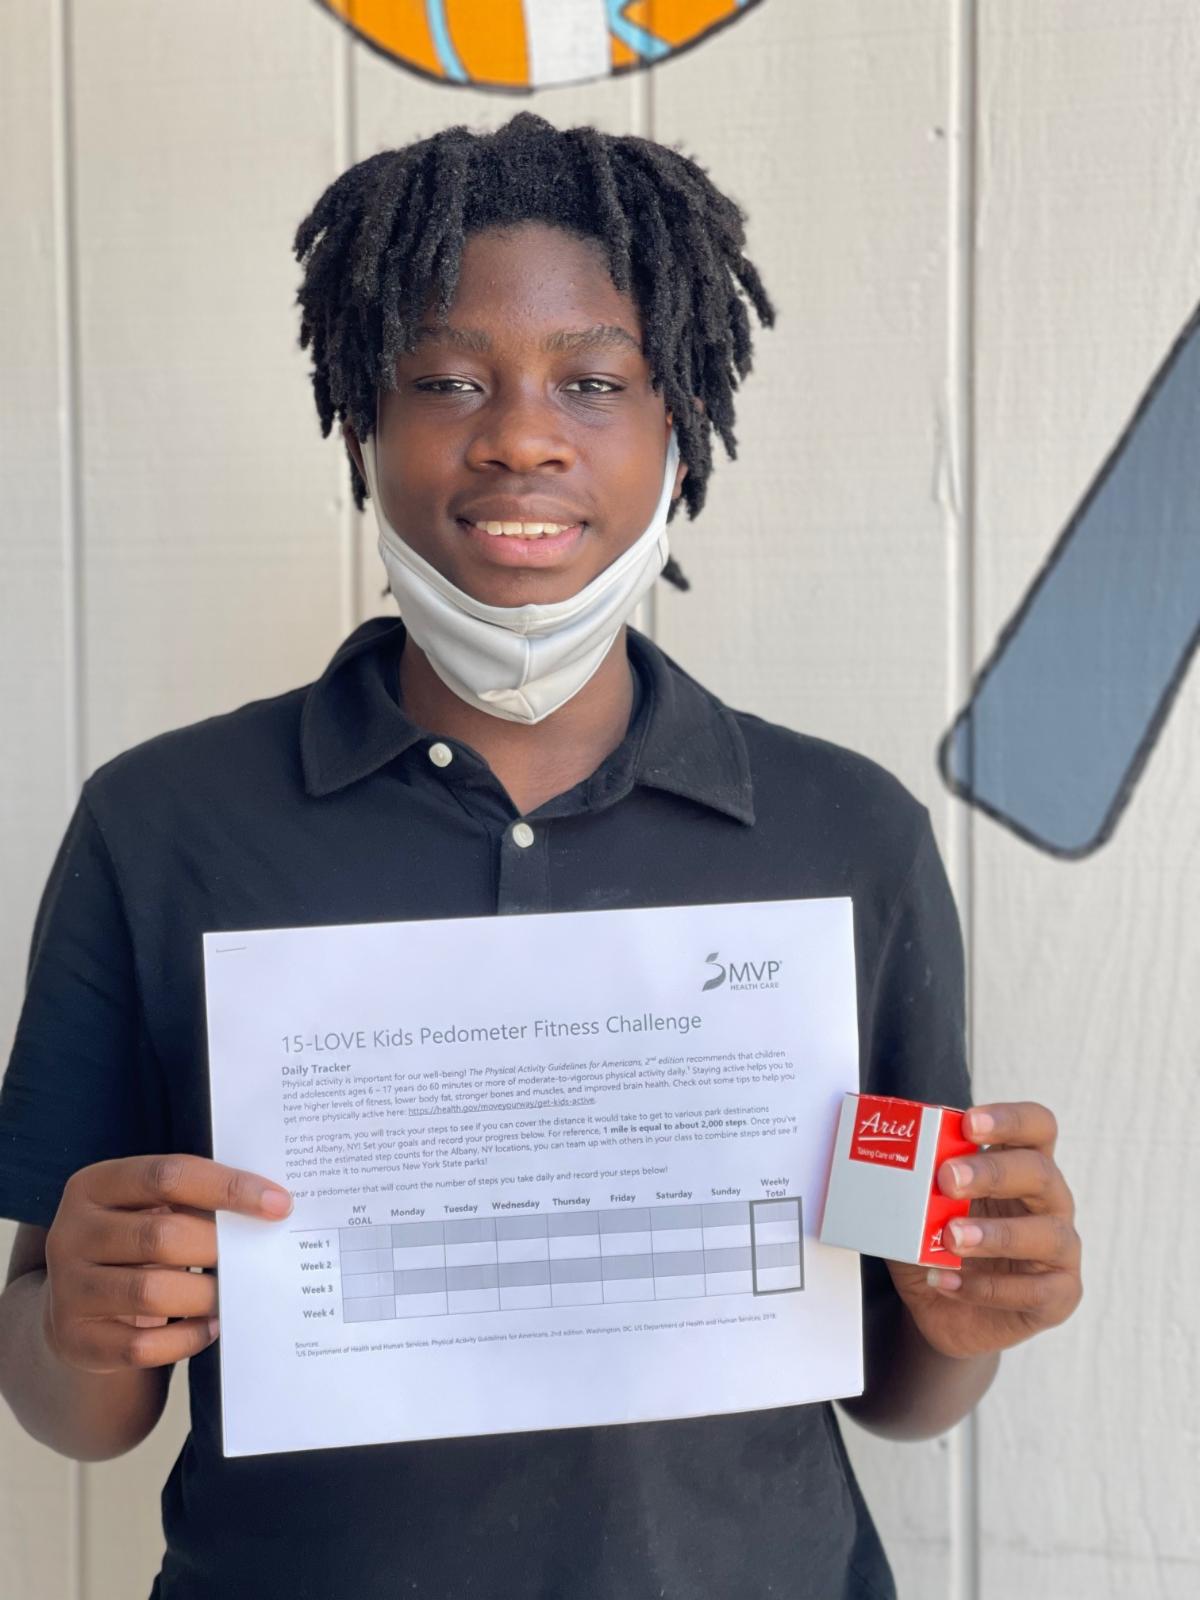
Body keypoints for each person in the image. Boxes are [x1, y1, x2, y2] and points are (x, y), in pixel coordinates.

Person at [0, 113, 1082, 1599]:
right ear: (360, 419)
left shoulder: (848, 835)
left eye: (595, 382)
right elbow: (77, 1405)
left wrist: (965, 1322)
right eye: (448, 380)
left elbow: (901, 1384)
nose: (521, 435)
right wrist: (79, 1325)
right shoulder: (164, 823)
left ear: (680, 423)